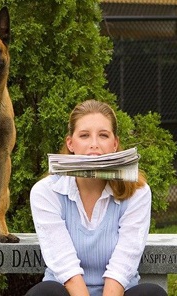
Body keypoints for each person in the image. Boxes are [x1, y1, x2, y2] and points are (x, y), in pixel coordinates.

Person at [25, 100, 167, 296]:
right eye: (84, 136)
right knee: (44, 293)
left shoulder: (138, 192)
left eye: (103, 135)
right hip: (67, 291)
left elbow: (123, 263)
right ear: (70, 143)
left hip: (118, 292)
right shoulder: (46, 192)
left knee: (153, 293)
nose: (94, 145)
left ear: (115, 144)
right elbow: (65, 265)